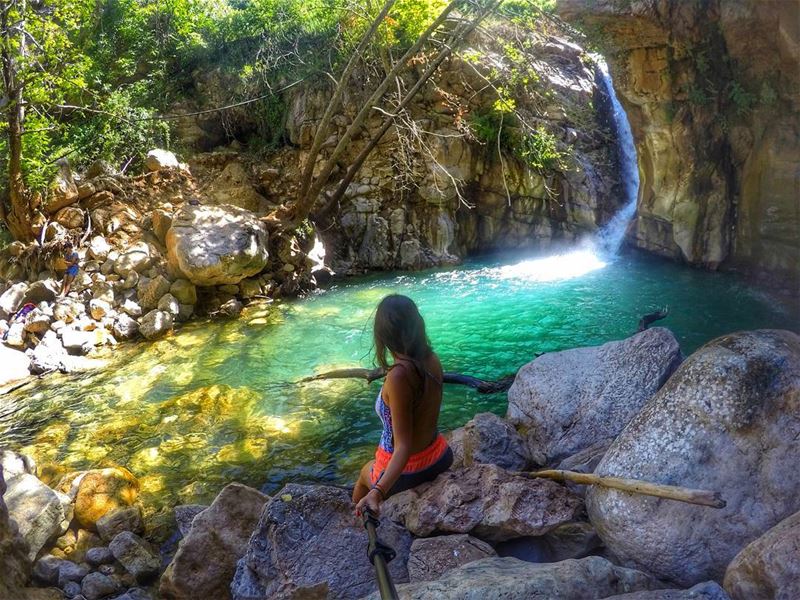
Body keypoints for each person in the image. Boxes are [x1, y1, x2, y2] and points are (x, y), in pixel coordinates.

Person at [354, 294, 453, 516]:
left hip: (411, 470)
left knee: (363, 474)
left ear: (383, 336)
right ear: (417, 324)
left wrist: (378, 491)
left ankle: (356, 527)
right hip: (440, 455)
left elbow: (403, 447)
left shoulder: (398, 376)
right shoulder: (432, 358)